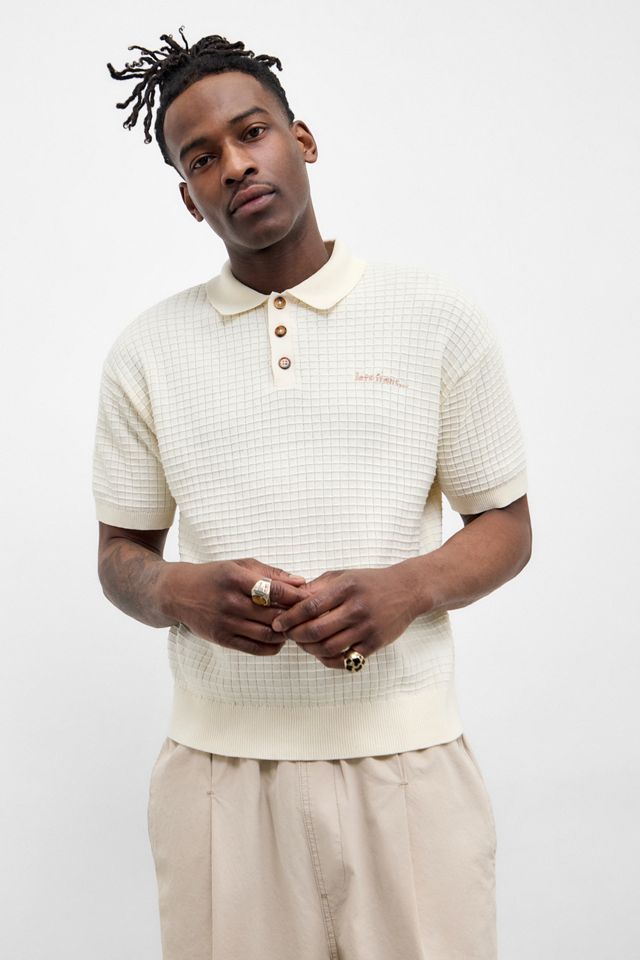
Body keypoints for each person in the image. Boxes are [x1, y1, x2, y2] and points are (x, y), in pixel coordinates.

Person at [94, 26, 532, 960]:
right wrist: (179, 591)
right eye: (201, 158)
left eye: (252, 132)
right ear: (188, 197)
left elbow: (506, 524)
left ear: (303, 140)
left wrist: (409, 587)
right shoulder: (146, 352)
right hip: (217, 778)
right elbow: (120, 558)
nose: (234, 166)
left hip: (410, 769)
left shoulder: (435, 317)